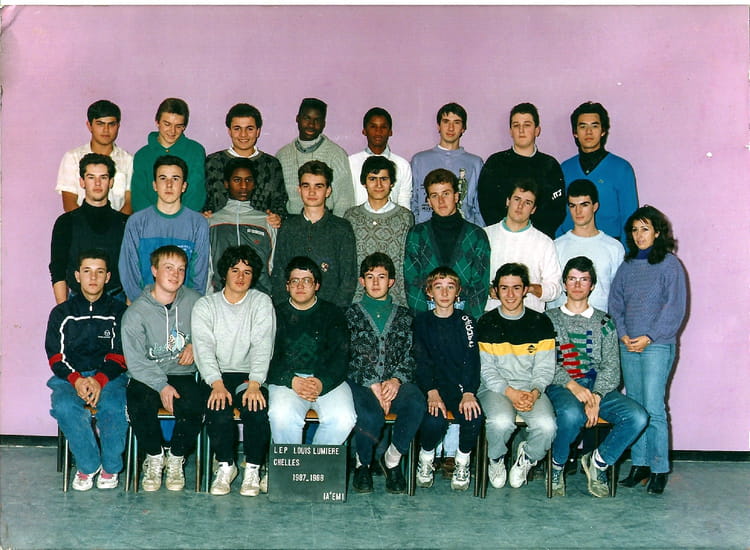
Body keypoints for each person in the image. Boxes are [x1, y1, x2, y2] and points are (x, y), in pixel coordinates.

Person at [545, 256, 648, 497]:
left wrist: (597, 396)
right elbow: (544, 363)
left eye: (584, 280)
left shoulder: (604, 321)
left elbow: (611, 366)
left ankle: (599, 461)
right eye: (572, 279)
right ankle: (557, 466)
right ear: (564, 283)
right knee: (572, 415)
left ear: (592, 285)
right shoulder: (548, 319)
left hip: (597, 386)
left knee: (637, 417)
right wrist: (572, 386)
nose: (577, 285)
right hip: (562, 386)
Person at [609, 206, 687, 495]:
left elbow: (674, 308)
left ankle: (659, 468)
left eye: (645, 229)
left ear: (657, 232)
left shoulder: (670, 265)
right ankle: (639, 464)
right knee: (636, 407)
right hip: (628, 344)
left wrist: (650, 337)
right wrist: (623, 334)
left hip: (657, 345)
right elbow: (615, 303)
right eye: (634, 230)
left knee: (653, 407)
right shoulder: (627, 266)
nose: (639, 235)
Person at [192, 245, 275, 497]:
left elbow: (263, 344)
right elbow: (203, 348)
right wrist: (216, 383)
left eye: (247, 272)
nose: (241, 276)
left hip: (250, 375)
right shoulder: (205, 305)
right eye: (235, 270)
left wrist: (255, 383)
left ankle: (253, 469)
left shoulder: (261, 302)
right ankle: (226, 466)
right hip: (216, 374)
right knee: (218, 408)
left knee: (256, 409)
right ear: (224, 273)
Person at [122, 245, 206, 492]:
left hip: (182, 373)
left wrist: (196, 346)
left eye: (181, 269)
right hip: (147, 374)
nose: (175, 274)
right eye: (168, 267)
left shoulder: (196, 302)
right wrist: (161, 385)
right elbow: (135, 362)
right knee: (139, 403)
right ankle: (154, 456)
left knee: (195, 405)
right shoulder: (135, 313)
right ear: (154, 270)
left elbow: (212, 334)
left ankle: (176, 458)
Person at [45, 250, 128, 490]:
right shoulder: (61, 313)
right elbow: (55, 356)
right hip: (69, 379)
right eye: (87, 271)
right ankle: (88, 465)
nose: (93, 277)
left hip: (110, 377)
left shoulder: (119, 312)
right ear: (77, 276)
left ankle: (110, 468)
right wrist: (77, 380)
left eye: (99, 272)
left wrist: (100, 380)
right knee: (64, 407)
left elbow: (121, 353)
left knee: (113, 407)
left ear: (107, 277)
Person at [346, 253, 425, 494]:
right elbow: (346, 354)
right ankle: (362, 464)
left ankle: (392, 459)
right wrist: (372, 383)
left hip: (395, 383)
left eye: (381, 277)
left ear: (391, 281)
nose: (376, 282)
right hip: (361, 384)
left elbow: (412, 353)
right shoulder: (349, 314)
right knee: (370, 416)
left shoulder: (405, 315)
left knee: (416, 402)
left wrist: (396, 380)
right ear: (362, 281)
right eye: (370, 277)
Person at [477, 263, 556, 490]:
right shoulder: (486, 322)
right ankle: (496, 459)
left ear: (525, 290)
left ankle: (527, 459)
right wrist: (510, 392)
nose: (510, 294)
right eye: (504, 288)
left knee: (547, 426)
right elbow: (487, 370)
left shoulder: (541, 322)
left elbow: (544, 368)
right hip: (495, 388)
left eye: (516, 288)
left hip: (530, 387)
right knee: (501, 422)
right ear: (496, 290)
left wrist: (534, 392)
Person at [266, 256, 357, 445]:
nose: (300, 286)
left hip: (325, 380)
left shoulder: (333, 313)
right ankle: (291, 463)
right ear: (287, 286)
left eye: (307, 280)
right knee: (281, 416)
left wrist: (322, 382)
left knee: (343, 418)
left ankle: (316, 463)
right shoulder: (273, 314)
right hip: (287, 381)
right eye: (294, 281)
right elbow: (265, 357)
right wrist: (291, 380)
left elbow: (341, 357)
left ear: (317, 285)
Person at [414, 267, 483, 491]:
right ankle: (426, 458)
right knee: (435, 420)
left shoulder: (466, 321)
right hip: (430, 387)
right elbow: (421, 361)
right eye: (438, 287)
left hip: (458, 387)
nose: (444, 293)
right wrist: (431, 392)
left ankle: (462, 462)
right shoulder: (421, 321)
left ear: (458, 291)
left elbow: (472, 360)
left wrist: (469, 392)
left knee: (473, 416)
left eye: (450, 287)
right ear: (429, 292)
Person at [119, 155, 209, 303]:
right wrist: (143, 304)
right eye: (163, 178)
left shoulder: (198, 224)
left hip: (183, 307)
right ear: (155, 185)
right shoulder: (136, 222)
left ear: (184, 186)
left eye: (175, 179)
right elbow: (129, 270)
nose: (169, 185)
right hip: (144, 305)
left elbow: (200, 274)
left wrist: (188, 305)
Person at [404, 168, 490, 320]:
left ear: (456, 196)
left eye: (446, 194)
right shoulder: (416, 234)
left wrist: (467, 322)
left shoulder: (477, 235)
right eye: (434, 195)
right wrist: (424, 321)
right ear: (428, 201)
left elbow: (480, 287)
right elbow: (412, 282)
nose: (441, 201)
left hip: (464, 314)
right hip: (427, 313)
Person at [271, 160, 357, 309]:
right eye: (306, 186)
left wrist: (334, 312)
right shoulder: (288, 227)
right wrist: (286, 309)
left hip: (329, 311)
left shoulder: (341, 228)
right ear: (299, 189)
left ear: (328, 191)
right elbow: (279, 272)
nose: (312, 192)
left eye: (318, 186)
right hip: (292, 311)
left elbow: (348, 278)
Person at [477, 102, 565, 237]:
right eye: (516, 125)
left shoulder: (550, 165)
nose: (521, 130)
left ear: (537, 130)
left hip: (538, 240)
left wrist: (532, 236)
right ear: (510, 131)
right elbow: (487, 206)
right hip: (502, 238)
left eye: (527, 125)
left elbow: (556, 210)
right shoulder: (495, 163)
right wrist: (509, 233)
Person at [50, 153, 128, 303]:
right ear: (82, 182)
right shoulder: (65, 222)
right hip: (77, 302)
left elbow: (132, 270)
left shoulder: (125, 223)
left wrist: (128, 308)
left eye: (103, 177)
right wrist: (63, 309)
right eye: (91, 177)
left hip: (117, 302)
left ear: (111, 182)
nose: (97, 183)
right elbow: (58, 268)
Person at [558, 101, 638, 244]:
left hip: (610, 247)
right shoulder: (564, 169)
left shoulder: (622, 169)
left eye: (594, 126)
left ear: (603, 131)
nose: (588, 132)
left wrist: (625, 253)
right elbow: (557, 213)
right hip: (570, 247)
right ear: (575, 132)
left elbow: (630, 217)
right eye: (583, 126)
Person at [344, 156, 414, 305]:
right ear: (364, 182)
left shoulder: (405, 217)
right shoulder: (351, 217)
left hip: (395, 300)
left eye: (384, 179)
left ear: (392, 183)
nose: (378, 185)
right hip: (357, 300)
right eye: (372, 179)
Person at [483, 180, 561, 313]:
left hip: (530, 317)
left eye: (528, 202)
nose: (520, 206)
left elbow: (555, 289)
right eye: (517, 199)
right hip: (491, 314)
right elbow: (472, 281)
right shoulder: (485, 235)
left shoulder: (544, 242)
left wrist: (528, 288)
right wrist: (489, 290)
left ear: (533, 209)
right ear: (508, 201)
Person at [549, 178, 625, 312]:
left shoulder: (614, 248)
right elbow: (551, 293)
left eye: (584, 205)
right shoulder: (556, 246)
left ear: (595, 206)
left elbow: (619, 295)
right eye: (573, 206)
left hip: (600, 322)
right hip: (562, 322)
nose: (578, 211)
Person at [202, 103, 288, 218]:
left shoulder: (272, 164)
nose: (243, 134)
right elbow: (206, 200)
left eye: (249, 129)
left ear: (258, 131)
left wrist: (276, 217)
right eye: (237, 128)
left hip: (260, 227)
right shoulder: (213, 162)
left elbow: (280, 203)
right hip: (222, 226)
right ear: (229, 131)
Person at [207, 157, 277, 296]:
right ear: (226, 183)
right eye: (237, 180)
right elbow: (208, 267)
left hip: (259, 298)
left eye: (249, 180)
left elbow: (273, 266)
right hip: (221, 297)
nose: (244, 186)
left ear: (255, 184)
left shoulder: (268, 222)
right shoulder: (212, 222)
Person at [276, 98, 354, 216]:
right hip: (292, 221)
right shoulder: (282, 155)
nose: (311, 124)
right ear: (297, 118)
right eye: (307, 118)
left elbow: (344, 202)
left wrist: (334, 225)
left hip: (327, 222)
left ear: (324, 124)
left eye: (317, 120)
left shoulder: (336, 155)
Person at [410, 102, 484, 225]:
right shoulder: (420, 160)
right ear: (438, 126)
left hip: (463, 230)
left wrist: (477, 231)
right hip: (427, 229)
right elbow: (413, 201)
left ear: (463, 128)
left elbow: (479, 205)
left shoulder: (475, 163)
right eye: (446, 122)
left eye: (456, 122)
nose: (451, 128)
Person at [56, 99, 133, 214]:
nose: (106, 130)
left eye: (111, 124)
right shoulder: (72, 158)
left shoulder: (129, 161)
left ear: (118, 126)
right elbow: (69, 202)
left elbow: (130, 203)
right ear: (89, 125)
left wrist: (116, 224)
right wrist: (87, 224)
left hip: (118, 224)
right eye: (100, 124)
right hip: (80, 223)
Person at [131, 98, 206, 212]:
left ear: (184, 127)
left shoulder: (195, 151)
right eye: (167, 124)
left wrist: (181, 217)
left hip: (186, 217)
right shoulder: (142, 155)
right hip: (149, 219)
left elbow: (196, 192)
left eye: (178, 126)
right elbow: (139, 196)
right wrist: (154, 218)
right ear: (157, 122)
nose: (172, 131)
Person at [348, 107, 412, 209]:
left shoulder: (402, 165)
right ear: (364, 131)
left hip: (393, 218)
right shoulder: (350, 163)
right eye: (373, 127)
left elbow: (404, 203)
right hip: (358, 218)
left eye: (383, 127)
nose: (378, 131)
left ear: (390, 132)